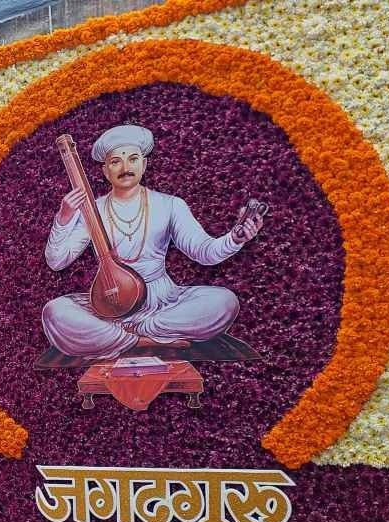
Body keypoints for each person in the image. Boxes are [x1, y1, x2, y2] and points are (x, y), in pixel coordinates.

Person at [42, 124, 264, 360]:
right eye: (116, 161)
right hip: (109, 304)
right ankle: (140, 339)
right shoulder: (92, 209)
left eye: (133, 159)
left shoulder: (170, 205)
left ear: (144, 165)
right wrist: (64, 218)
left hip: (161, 302)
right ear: (105, 171)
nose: (125, 168)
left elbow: (204, 252)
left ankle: (132, 333)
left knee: (225, 302)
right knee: (54, 312)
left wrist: (234, 238)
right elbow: (56, 262)